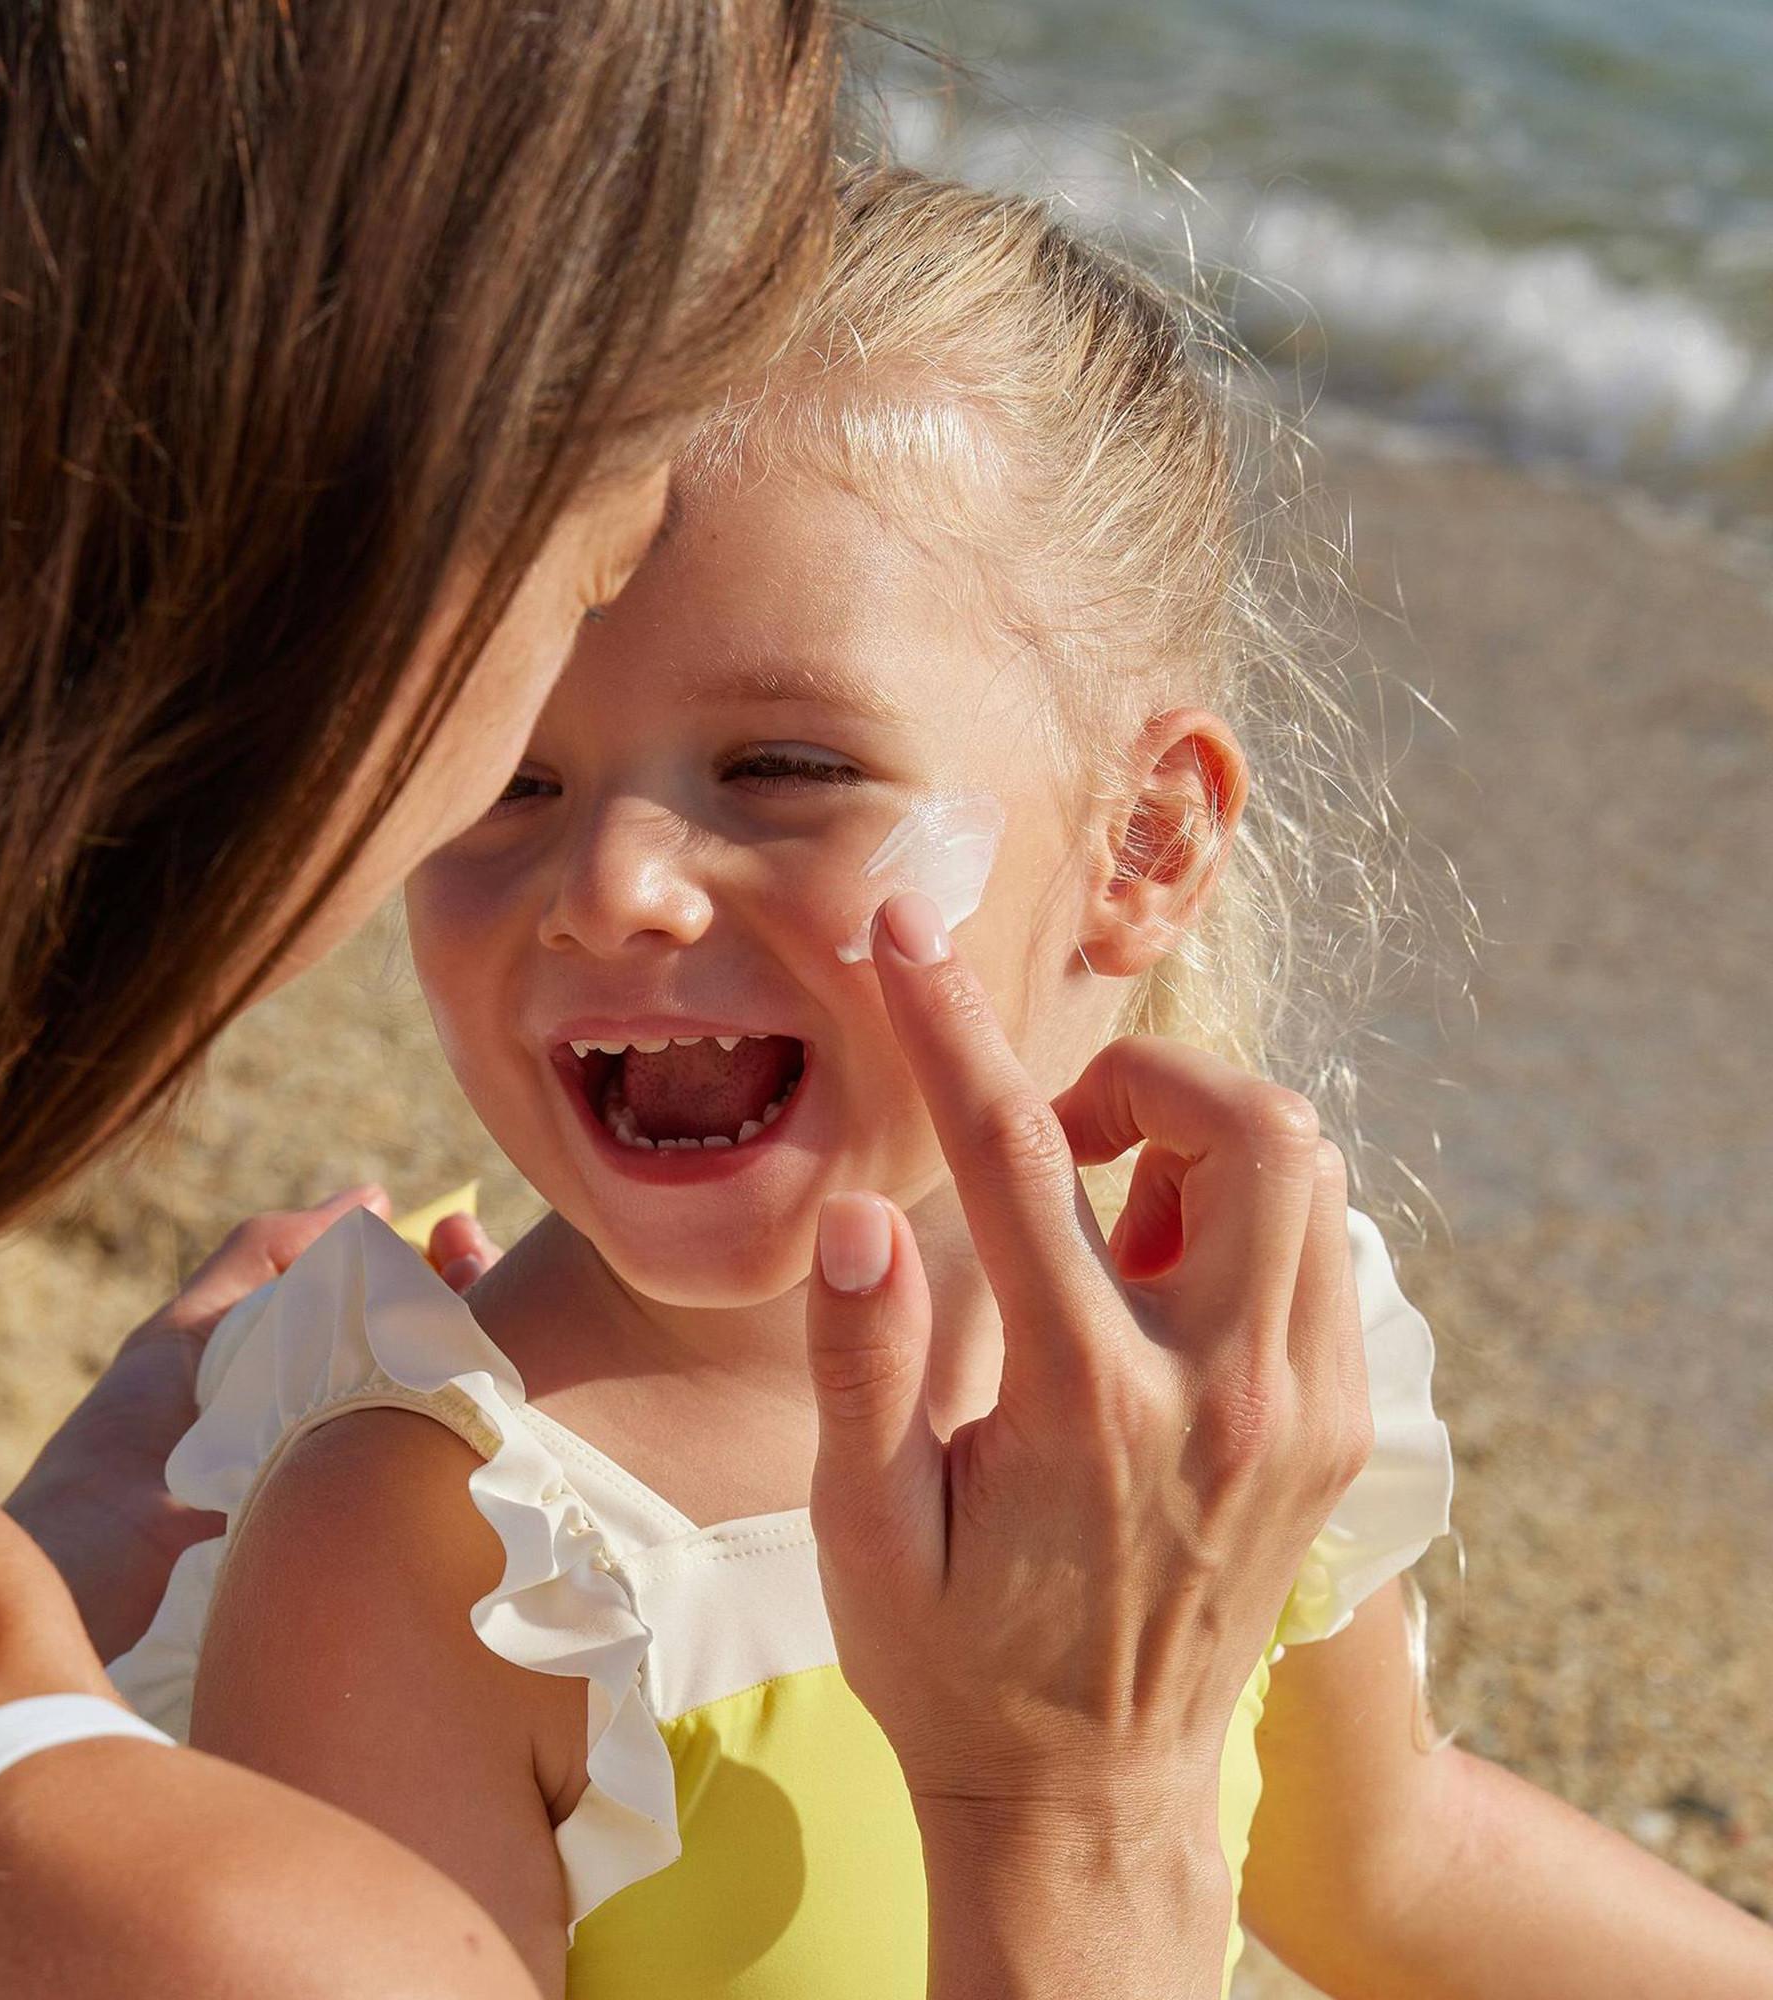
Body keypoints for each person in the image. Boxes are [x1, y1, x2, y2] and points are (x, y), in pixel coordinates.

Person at [109, 168, 1773, 2000]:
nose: (611, 884)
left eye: (783, 766)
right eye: (509, 775)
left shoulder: (1209, 1361)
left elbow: (1396, 1863)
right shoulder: (449, 1550)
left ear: (1142, 845)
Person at [0, 4, 835, 1994]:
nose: (610, 878)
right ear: (344, 555)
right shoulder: (225, 1949)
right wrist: (1073, 1819)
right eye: (590, 581)